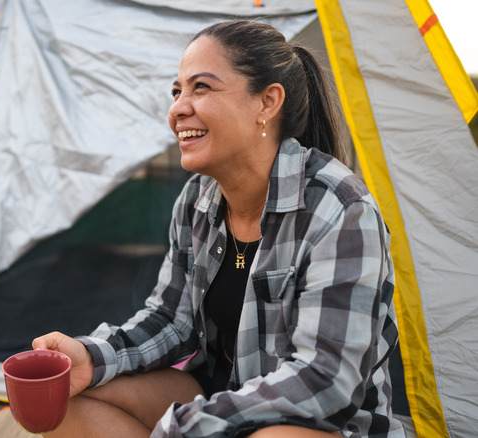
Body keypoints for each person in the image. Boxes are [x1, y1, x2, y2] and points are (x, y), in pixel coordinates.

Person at [32, 20, 403, 437]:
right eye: (177, 91)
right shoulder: (196, 199)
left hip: (321, 425)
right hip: (220, 396)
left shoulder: (340, 212)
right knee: (72, 398)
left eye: (201, 88)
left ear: (267, 102)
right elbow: (170, 319)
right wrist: (90, 356)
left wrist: (187, 425)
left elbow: (325, 380)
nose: (177, 108)